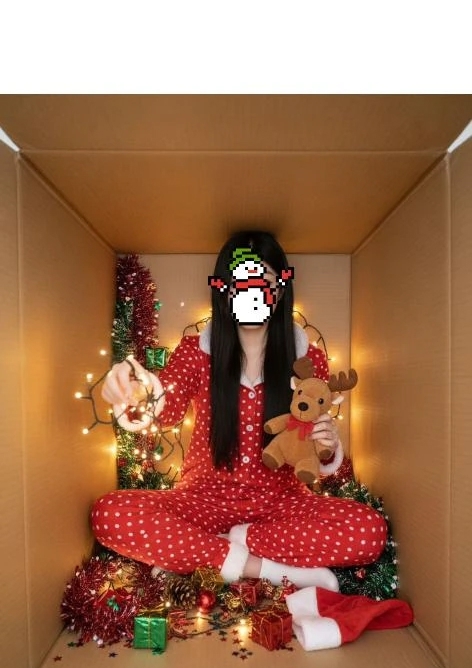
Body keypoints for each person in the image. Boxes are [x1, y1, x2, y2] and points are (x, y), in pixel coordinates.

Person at [91, 230, 387, 591]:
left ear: (281, 289)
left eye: (262, 283)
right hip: (201, 502)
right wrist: (136, 391)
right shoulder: (195, 353)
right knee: (109, 513)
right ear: (224, 290)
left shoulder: (308, 360)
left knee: (369, 530)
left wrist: (325, 446)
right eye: (239, 284)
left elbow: (308, 452)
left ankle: (211, 551)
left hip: (280, 508)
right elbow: (165, 405)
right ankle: (260, 567)